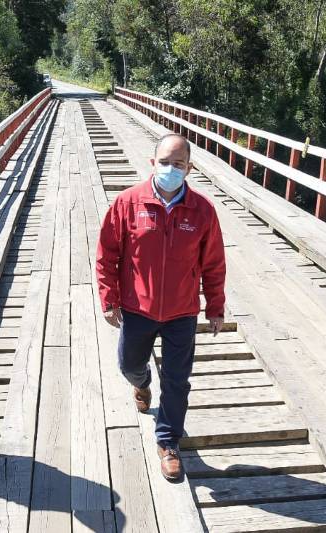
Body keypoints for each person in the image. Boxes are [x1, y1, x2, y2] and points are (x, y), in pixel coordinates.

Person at [96, 133, 226, 481]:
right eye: (165, 162)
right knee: (129, 364)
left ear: (189, 168)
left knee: (178, 380)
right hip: (137, 307)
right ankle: (141, 383)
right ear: (153, 163)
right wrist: (109, 298)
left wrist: (215, 306)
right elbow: (107, 254)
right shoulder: (127, 203)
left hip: (182, 311)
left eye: (178, 164)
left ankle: (168, 442)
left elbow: (214, 263)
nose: (171, 169)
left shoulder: (202, 211)